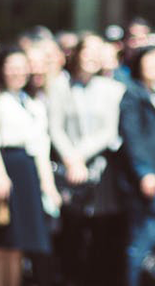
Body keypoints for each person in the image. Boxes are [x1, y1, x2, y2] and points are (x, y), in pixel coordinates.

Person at [48, 34, 128, 285]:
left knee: (100, 238)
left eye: (98, 51)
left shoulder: (113, 89)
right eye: (88, 50)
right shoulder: (60, 85)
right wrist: (71, 160)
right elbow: (55, 127)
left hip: (100, 174)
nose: (93, 56)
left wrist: (79, 156)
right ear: (77, 53)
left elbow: (108, 131)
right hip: (69, 172)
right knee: (70, 235)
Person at [0, 47, 59, 286]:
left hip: (28, 171)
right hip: (6, 166)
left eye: (21, 68)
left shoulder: (31, 100)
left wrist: (48, 185)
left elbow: (41, 146)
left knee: (19, 244)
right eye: (12, 67)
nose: (17, 73)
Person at [118, 44, 155, 286]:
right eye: (149, 62)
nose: (154, 67)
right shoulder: (133, 94)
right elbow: (132, 138)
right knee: (142, 239)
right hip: (146, 180)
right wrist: (144, 173)